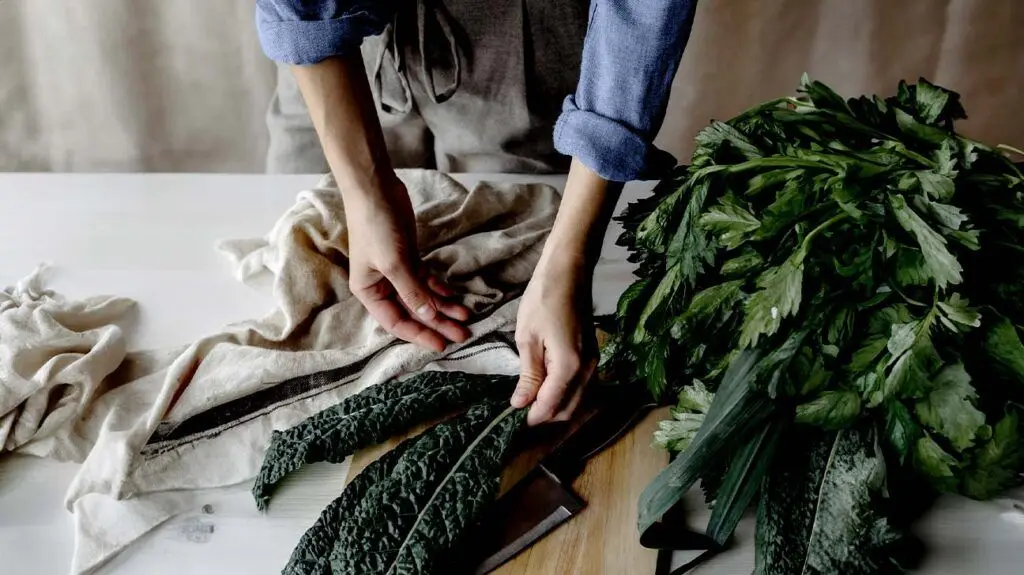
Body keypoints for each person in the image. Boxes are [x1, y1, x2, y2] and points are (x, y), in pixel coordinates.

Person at [255, 0, 697, 425]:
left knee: (525, 224)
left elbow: (642, 11)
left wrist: (569, 262)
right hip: (329, 37)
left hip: (514, 34)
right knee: (302, 253)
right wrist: (363, 191)